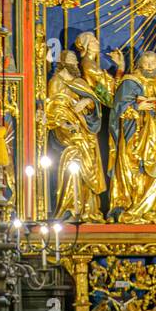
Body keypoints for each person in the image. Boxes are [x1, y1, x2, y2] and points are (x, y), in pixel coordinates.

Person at [108, 50, 156, 223]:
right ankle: (129, 206)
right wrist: (135, 107)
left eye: (153, 62)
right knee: (132, 169)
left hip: (152, 135)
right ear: (139, 64)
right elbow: (118, 107)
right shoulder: (130, 81)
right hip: (132, 132)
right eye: (146, 62)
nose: (150, 66)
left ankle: (149, 208)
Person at [46, 50, 106, 221]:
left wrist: (87, 102)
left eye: (75, 61)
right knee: (73, 159)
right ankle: (70, 206)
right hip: (66, 130)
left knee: (88, 164)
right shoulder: (56, 82)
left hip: (85, 130)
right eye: (71, 61)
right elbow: (54, 107)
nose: (75, 65)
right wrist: (65, 122)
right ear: (62, 62)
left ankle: (89, 209)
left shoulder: (80, 82)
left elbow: (94, 103)